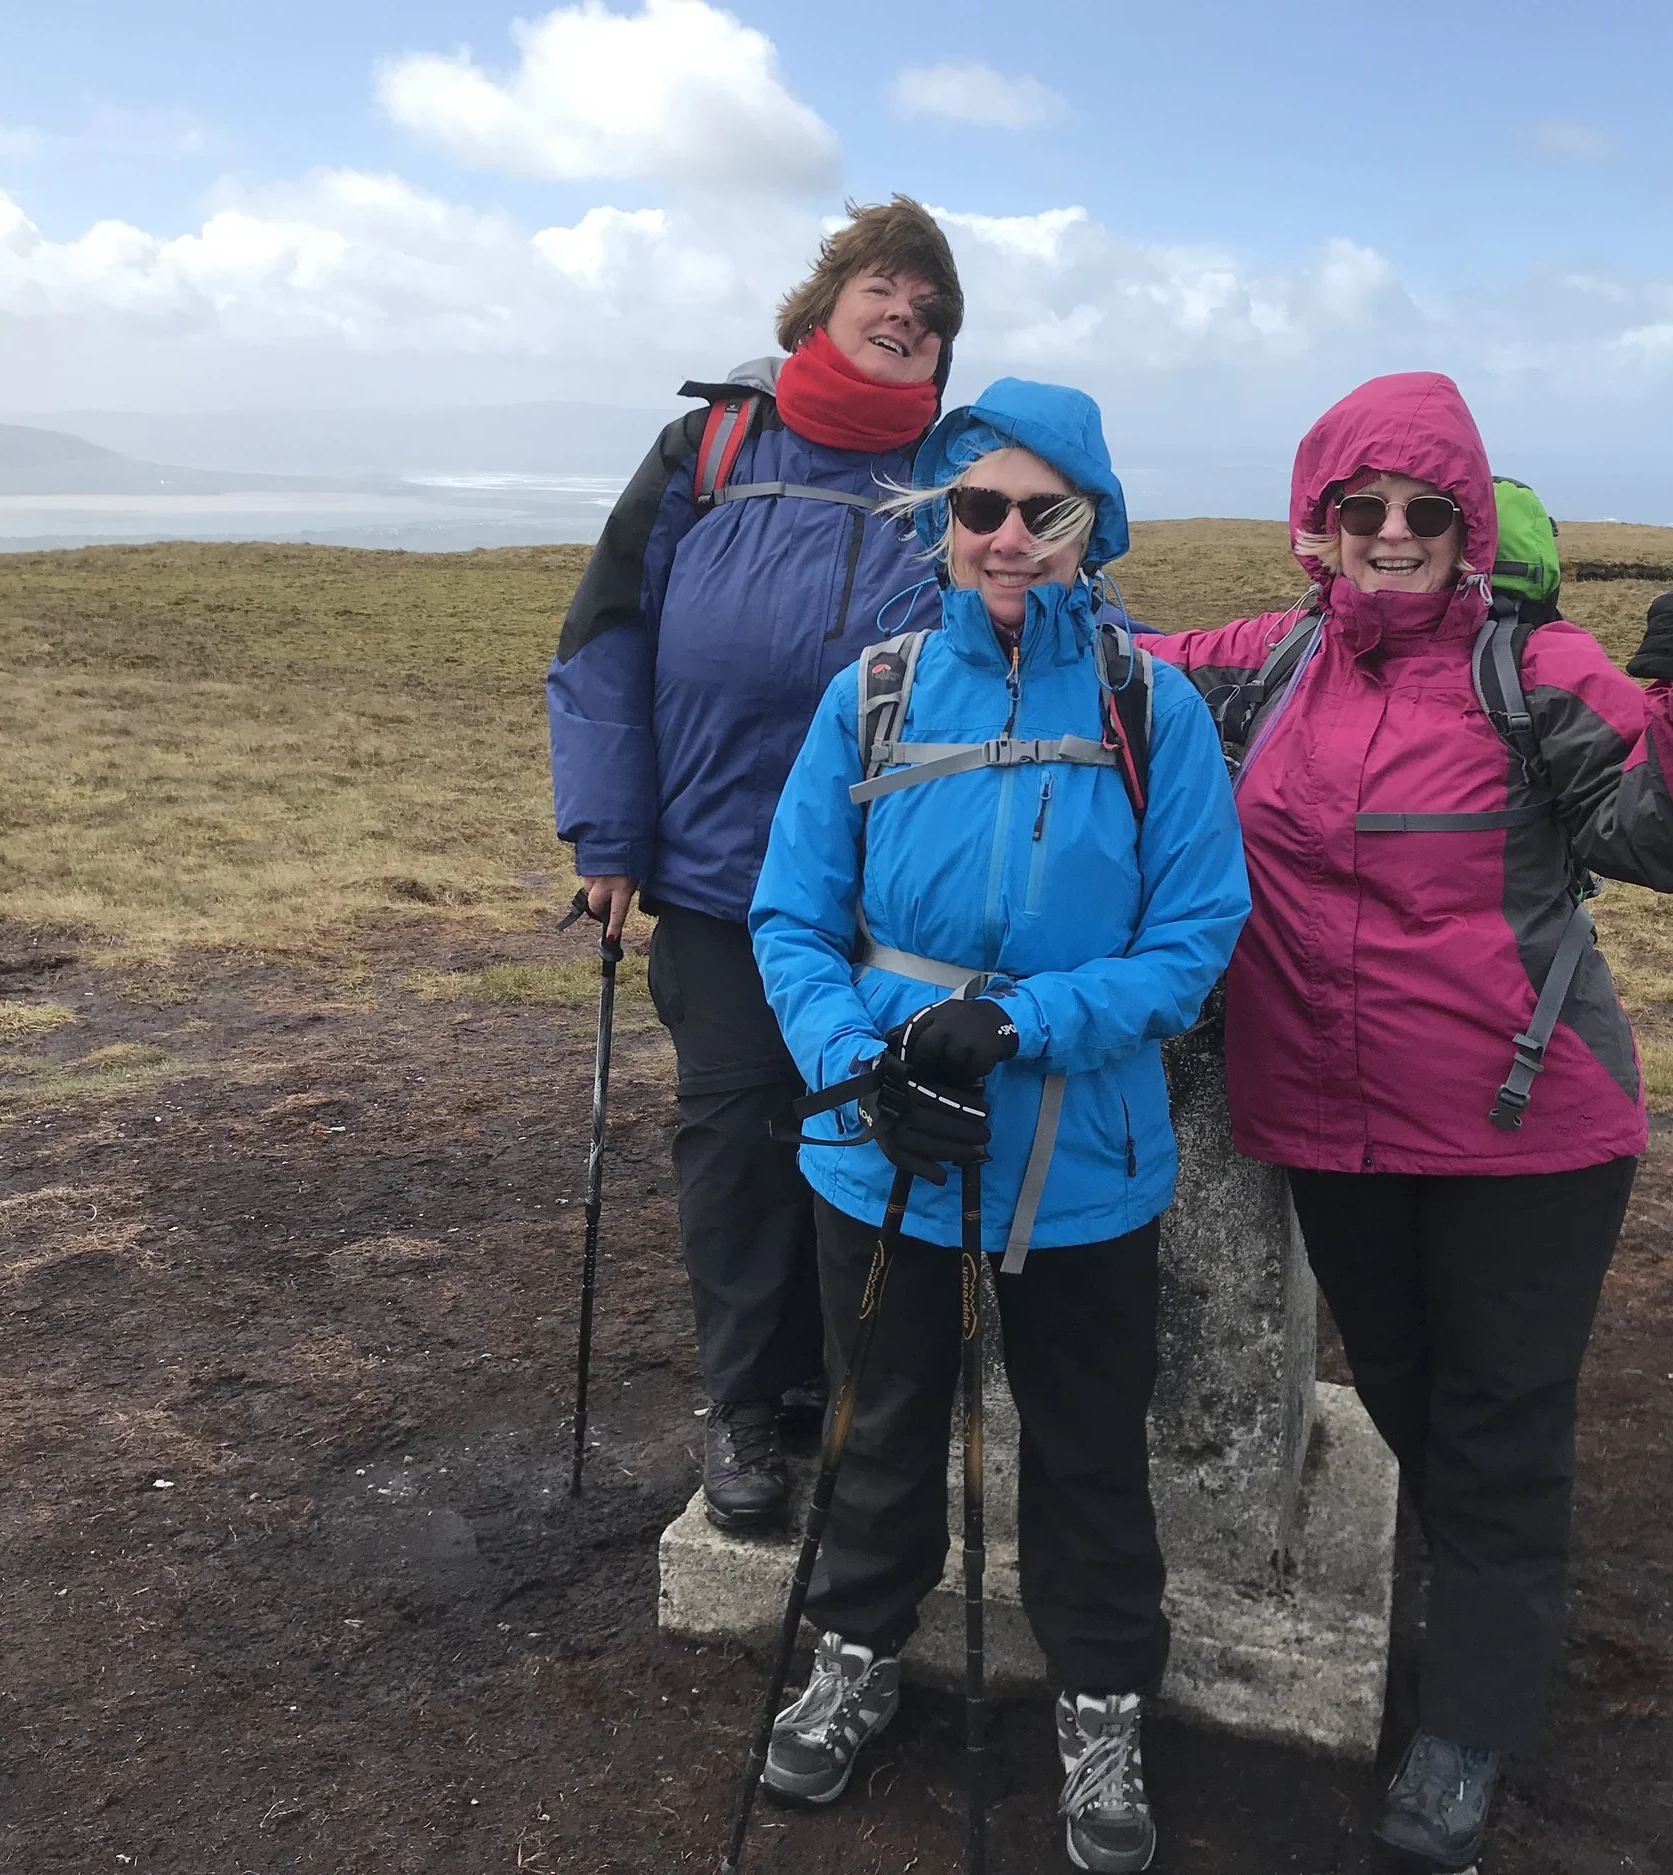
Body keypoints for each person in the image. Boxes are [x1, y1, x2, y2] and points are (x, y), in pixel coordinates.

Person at [1149, 372, 1673, 1874]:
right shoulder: (1268, 662)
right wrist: (992, 553)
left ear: (1469, 525)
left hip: (1528, 1135)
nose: (1395, 531)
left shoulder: (1536, 667)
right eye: (1363, 506)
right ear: (1318, 522)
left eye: (1429, 508)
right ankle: (1498, 1589)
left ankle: (1470, 1723)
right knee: (1411, 1396)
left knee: (1495, 1423)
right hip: (1334, 1129)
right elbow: (1116, 662)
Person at [746, 379, 1249, 1874]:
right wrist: (865, 1062)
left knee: (1089, 1443)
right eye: (979, 507)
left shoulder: (1153, 709)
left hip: (1082, 1154)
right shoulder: (873, 693)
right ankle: (856, 1653)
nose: (1009, 536)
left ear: (1095, 525)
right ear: (942, 519)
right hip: (882, 1142)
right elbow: (791, 918)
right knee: (880, 1413)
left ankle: (1102, 1704)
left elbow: (1194, 939)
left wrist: (1023, 1024)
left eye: (1044, 510)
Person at [546, 198, 965, 1530]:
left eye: (931, 310)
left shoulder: (957, 470)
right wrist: (609, 833)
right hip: (720, 872)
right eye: (883, 291)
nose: (905, 316)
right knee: (736, 1136)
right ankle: (745, 1400)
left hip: (887, 884)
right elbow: (607, 634)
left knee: (859, 1123)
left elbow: (1041, 599)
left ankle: (850, 1390)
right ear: (821, 309)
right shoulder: (713, 445)